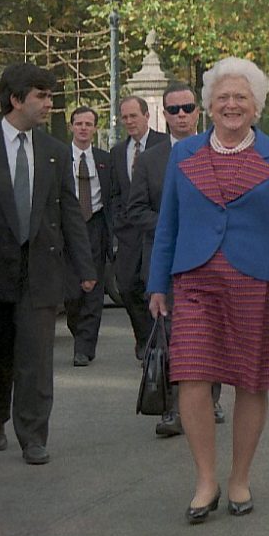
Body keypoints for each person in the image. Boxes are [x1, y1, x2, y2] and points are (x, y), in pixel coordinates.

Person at [147, 57, 269, 524]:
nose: (231, 105)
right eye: (223, 97)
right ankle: (205, 480)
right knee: (192, 376)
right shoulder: (184, 156)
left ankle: (239, 478)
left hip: (257, 283)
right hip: (196, 282)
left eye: (241, 98)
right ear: (208, 106)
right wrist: (157, 284)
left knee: (251, 380)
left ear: (257, 107)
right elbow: (168, 224)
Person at [0, 63, 97, 466]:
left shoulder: (53, 151)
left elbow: (70, 211)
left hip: (40, 273)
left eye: (50, 96)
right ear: (16, 99)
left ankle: (33, 434)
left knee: (37, 360)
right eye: (42, 96)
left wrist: (85, 268)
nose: (49, 104)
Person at [126, 81, 224, 437]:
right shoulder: (151, 159)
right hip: (165, 261)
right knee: (171, 336)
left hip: (211, 260)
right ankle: (172, 409)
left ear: (199, 110)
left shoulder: (218, 150)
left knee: (209, 333)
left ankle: (210, 400)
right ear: (163, 115)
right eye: (173, 110)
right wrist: (172, 226)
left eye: (188, 108)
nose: (181, 115)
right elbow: (134, 209)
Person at [109, 96, 167, 359]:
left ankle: (157, 343)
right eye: (125, 117)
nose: (129, 122)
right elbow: (115, 192)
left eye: (134, 116)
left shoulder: (163, 146)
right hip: (128, 232)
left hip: (156, 228)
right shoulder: (117, 152)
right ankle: (143, 337)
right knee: (127, 286)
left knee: (153, 286)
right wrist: (118, 222)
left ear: (146, 115)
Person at [63, 106, 112, 367]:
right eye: (79, 123)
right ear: (71, 126)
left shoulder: (105, 159)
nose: (83, 128)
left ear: (95, 128)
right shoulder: (59, 157)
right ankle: (77, 330)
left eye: (88, 123)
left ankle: (84, 346)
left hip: (95, 226)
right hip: (68, 230)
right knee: (72, 292)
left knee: (94, 289)